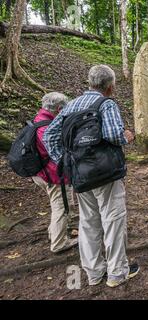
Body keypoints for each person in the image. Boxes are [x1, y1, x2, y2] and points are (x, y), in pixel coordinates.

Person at [43, 65, 139, 288]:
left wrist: (67, 162)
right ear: (110, 86)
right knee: (113, 220)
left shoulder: (71, 106)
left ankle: (94, 273)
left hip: (81, 176)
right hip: (106, 174)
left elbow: (49, 136)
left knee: (88, 222)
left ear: (90, 83)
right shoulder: (106, 104)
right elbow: (113, 135)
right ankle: (116, 272)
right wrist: (127, 137)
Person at [32, 92, 78, 254]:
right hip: (53, 175)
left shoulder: (39, 119)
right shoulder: (47, 127)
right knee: (63, 207)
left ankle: (54, 233)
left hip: (40, 173)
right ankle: (59, 243)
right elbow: (57, 152)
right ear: (59, 109)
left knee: (56, 204)